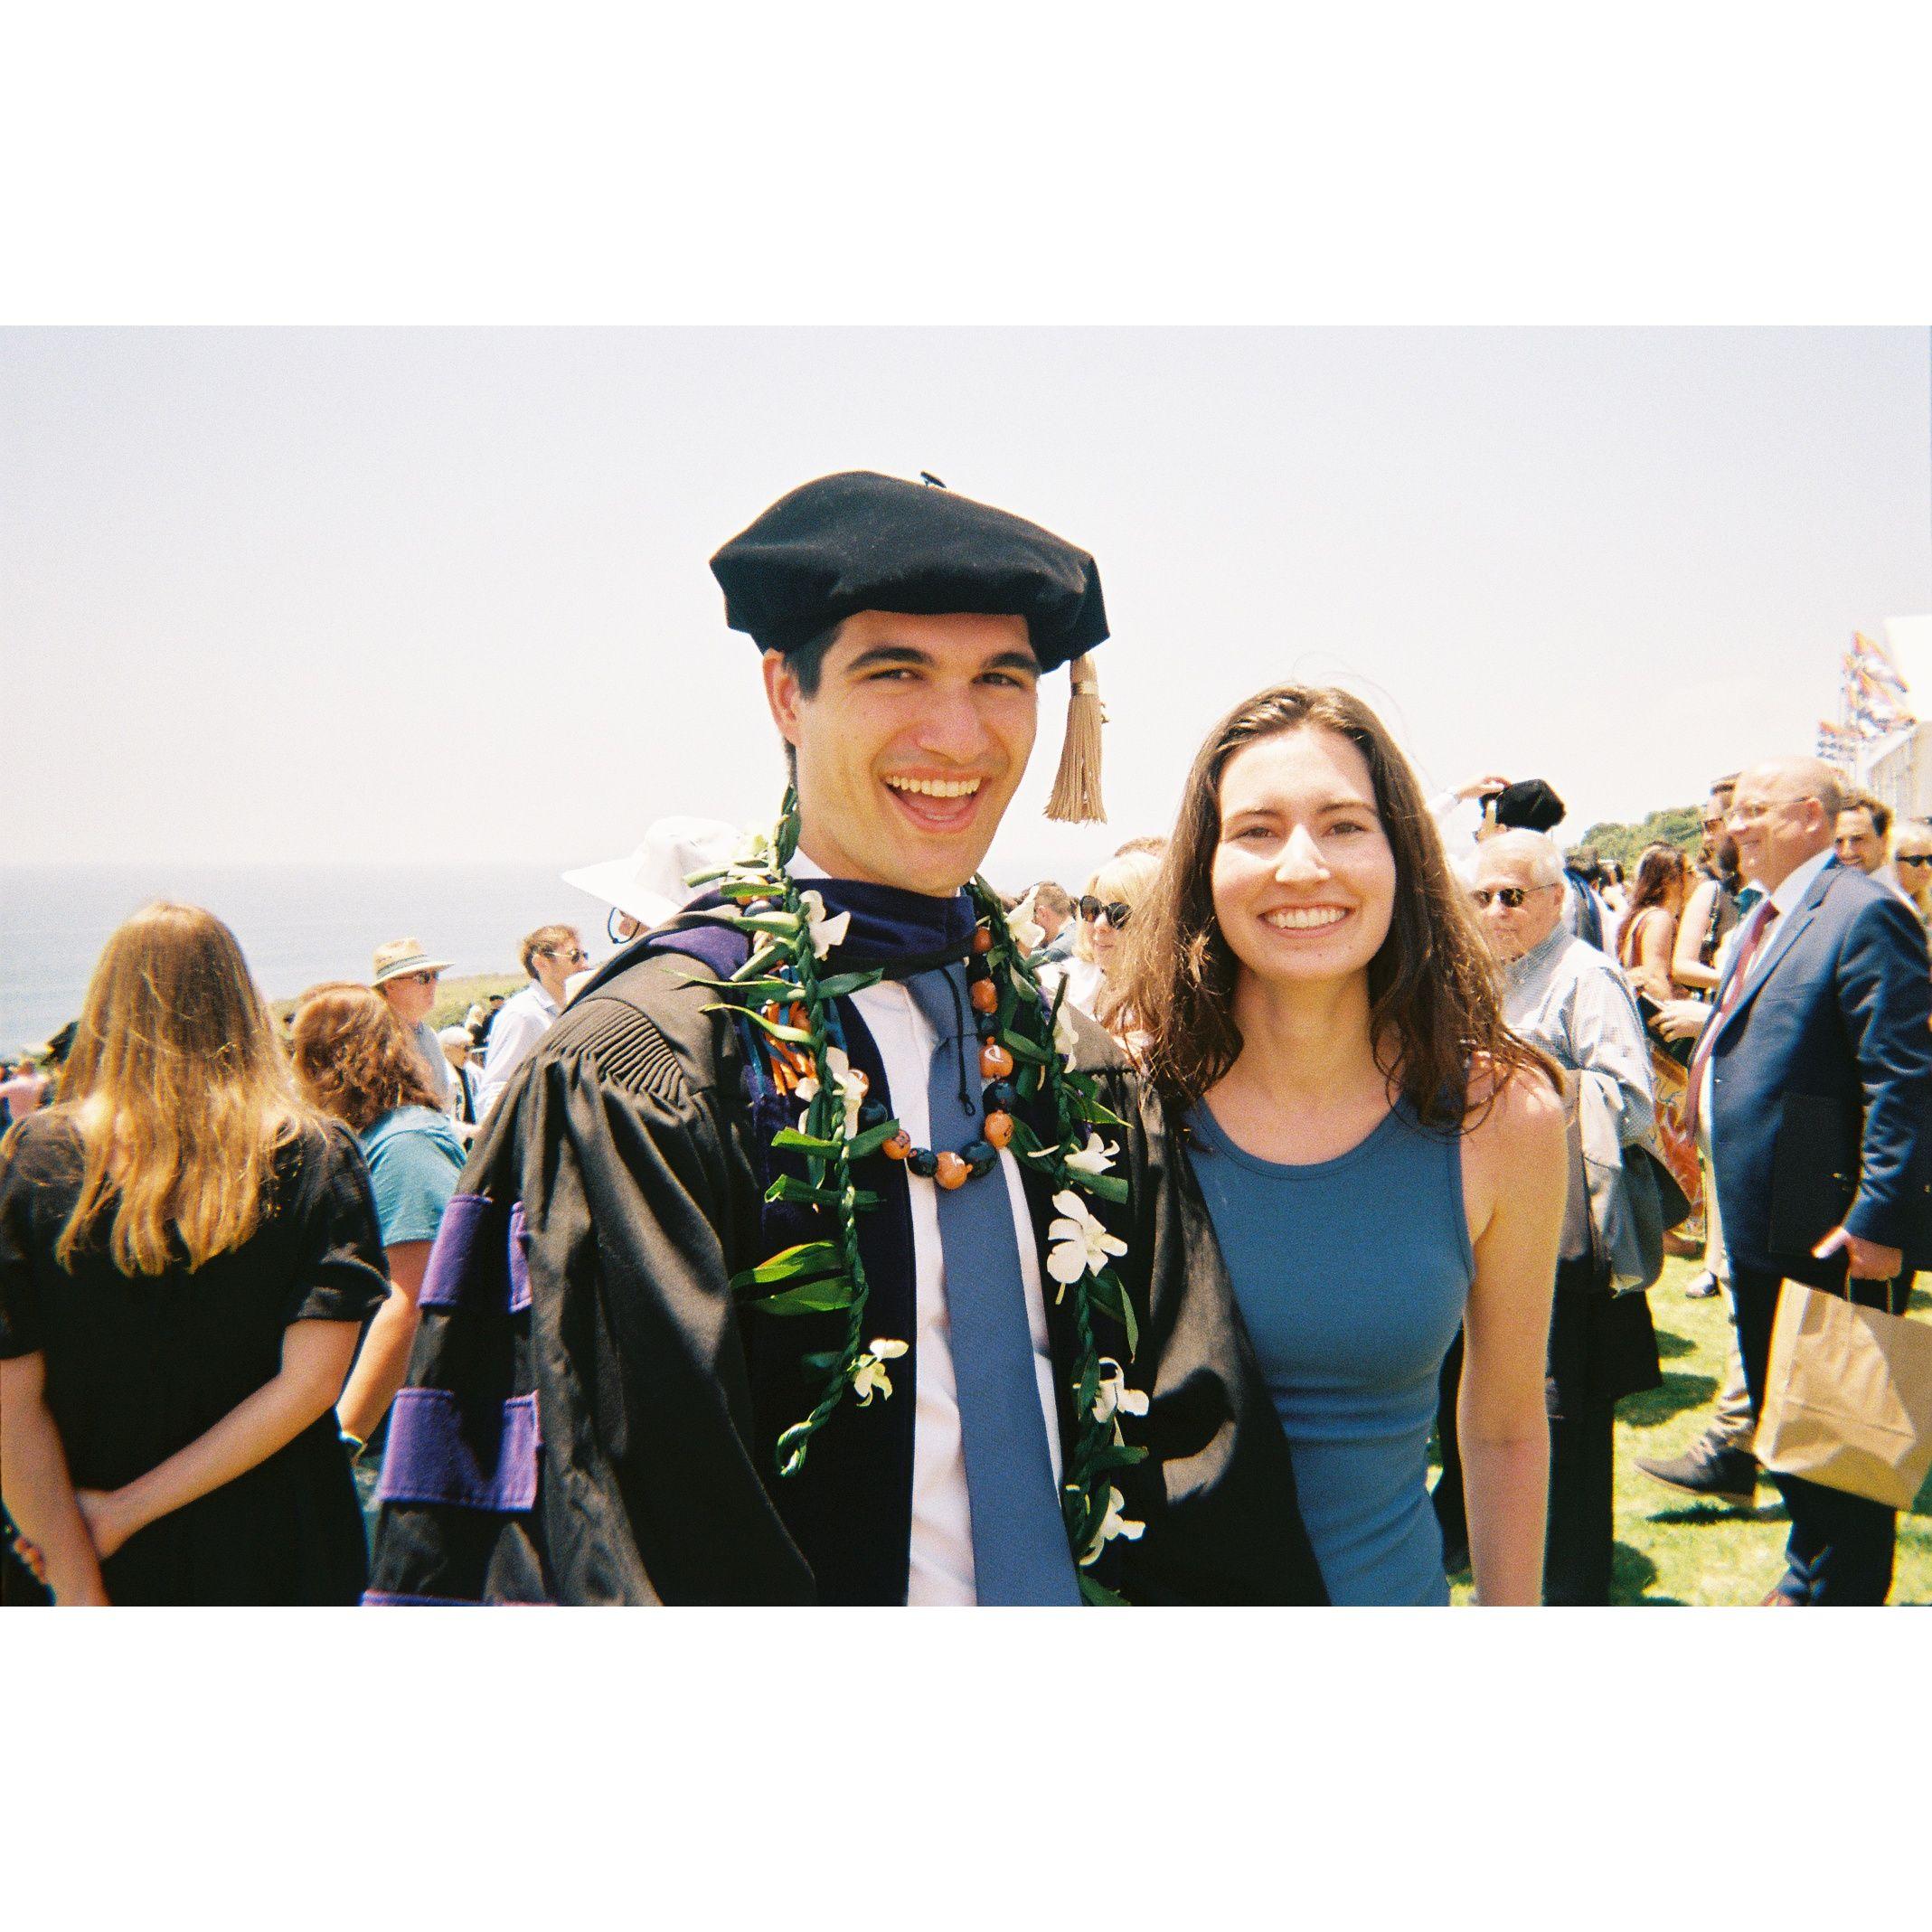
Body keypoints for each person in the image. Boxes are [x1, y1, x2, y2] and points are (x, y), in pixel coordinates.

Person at [370, 468, 1325, 1607]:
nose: (958, 735)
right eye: (896, 671)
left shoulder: (1066, 1057)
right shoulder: (653, 1064)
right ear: (786, 693)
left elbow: (1196, 1441)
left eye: (1002, 679)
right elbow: (634, 1524)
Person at [1109, 684, 1567, 1606]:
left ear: (1402, 854)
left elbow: (1507, 1425)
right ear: (1203, 865)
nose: (1302, 865)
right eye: (1257, 830)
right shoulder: (1117, 1103)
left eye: (1345, 824)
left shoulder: (1504, 1115)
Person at [0, 903, 387, 1605]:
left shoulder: (34, 1157)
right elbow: (309, 1386)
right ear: (241, 1001)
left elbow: (10, 1398)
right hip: (277, 1546)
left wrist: (78, 1576)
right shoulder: (315, 1154)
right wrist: (124, 1514)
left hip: (76, 1545)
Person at [1701, 757, 1932, 1603]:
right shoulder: (1777, 911)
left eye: (1752, 810)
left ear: (1806, 814)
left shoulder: (1863, 911)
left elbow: (1901, 1077)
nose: (1733, 824)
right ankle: (1811, 1570)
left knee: (1841, 1418)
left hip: (1831, 1220)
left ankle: (1833, 1589)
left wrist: (1879, 1213)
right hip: (1774, 1209)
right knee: (1787, 1410)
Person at [1437, 831, 1662, 1603]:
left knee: (1558, 1409)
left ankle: (1568, 1587)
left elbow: (1631, 1102)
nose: (1496, 911)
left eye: (1514, 896)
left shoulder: (1585, 975)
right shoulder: (1479, 974)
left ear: (1556, 900)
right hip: (1484, 1223)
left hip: (1565, 1225)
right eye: (1482, 896)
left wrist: (1528, 1089)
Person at [289, 983, 467, 1517]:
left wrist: (344, 1435)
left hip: (390, 1441)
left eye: (299, 1051)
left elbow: (410, 1301)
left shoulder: (404, 1144)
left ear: (329, 1060)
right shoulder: (373, 1138)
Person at [473, 924, 587, 1117]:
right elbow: (495, 1092)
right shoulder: (522, 1014)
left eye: (585, 956)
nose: (583, 964)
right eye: (574, 956)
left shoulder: (571, 1010)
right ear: (541, 963)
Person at [1040, 847, 1161, 1025]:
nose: (1099, 925)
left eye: (1118, 914)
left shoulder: (1176, 998)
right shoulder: (1057, 984)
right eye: (1092, 910)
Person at [372, 938, 457, 1110]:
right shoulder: (377, 1043)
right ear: (390, 986)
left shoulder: (428, 1035)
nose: (433, 983)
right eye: (423, 977)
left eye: (435, 975)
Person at [1833, 789, 1891, 879]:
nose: (1847, 852)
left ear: (1884, 842)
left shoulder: (1889, 892)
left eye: (1858, 839)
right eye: (1838, 841)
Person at [438, 1024, 482, 1136]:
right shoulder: (440, 1076)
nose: (469, 1053)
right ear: (446, 1049)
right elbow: (440, 1117)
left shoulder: (472, 1071)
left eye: (471, 1047)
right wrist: (468, 1131)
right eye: (465, 1048)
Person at [1891, 819, 1932, 931]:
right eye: (1916, 860)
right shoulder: (1890, 908)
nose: (1927, 867)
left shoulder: (1922, 902)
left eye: (1930, 860)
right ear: (1894, 863)